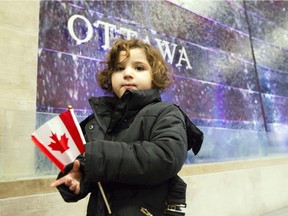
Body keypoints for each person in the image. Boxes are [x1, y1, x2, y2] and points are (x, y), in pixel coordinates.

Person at [51, 38, 203, 216]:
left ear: (155, 76)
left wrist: (97, 157)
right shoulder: (98, 122)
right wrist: (78, 178)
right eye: (119, 68)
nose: (127, 74)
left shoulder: (166, 113)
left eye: (139, 68)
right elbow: (97, 173)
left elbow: (166, 157)